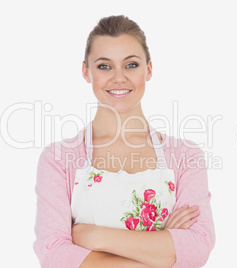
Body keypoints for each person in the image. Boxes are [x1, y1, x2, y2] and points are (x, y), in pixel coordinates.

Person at [33, 15, 215, 268]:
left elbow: (197, 248)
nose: (119, 78)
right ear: (86, 72)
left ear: (148, 70)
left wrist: (91, 236)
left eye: (131, 65)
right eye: (104, 66)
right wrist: (162, 248)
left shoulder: (186, 156)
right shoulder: (58, 159)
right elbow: (54, 255)